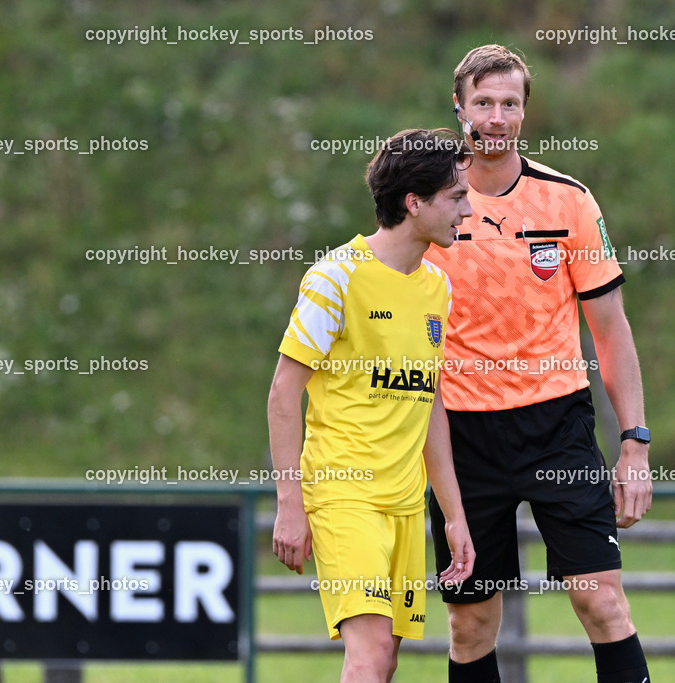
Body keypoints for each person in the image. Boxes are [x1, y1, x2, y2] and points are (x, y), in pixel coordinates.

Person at [425, 45, 653, 683]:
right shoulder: (428, 203)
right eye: (483, 103)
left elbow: (610, 330)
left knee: (601, 600)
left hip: (557, 427)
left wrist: (634, 443)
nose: (496, 117)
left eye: (509, 104)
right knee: (471, 623)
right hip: (461, 436)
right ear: (459, 107)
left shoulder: (569, 201)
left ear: (524, 112)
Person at [268, 128, 477, 682]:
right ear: (415, 203)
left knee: (386, 662)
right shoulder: (334, 278)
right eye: (456, 197)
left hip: (405, 504)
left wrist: (453, 516)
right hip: (342, 494)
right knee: (369, 654)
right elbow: (283, 391)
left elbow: (429, 402)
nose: (468, 208)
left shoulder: (437, 286)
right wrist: (290, 502)